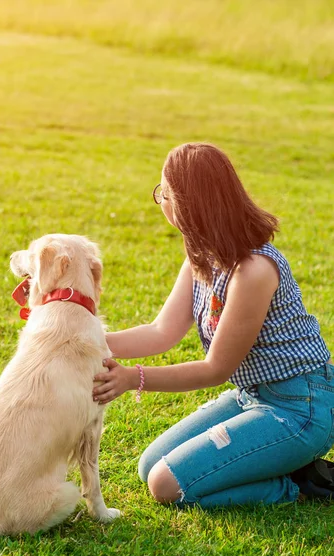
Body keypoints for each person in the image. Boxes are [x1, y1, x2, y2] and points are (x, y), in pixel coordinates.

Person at [92, 142, 333, 508]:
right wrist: (81, 338)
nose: (161, 202)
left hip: (300, 408)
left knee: (166, 485)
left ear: (188, 203)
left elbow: (215, 369)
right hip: (252, 396)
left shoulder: (253, 270)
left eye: (164, 193)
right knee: (149, 466)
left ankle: (298, 485)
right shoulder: (201, 257)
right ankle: (273, 462)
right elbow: (161, 332)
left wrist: (131, 378)